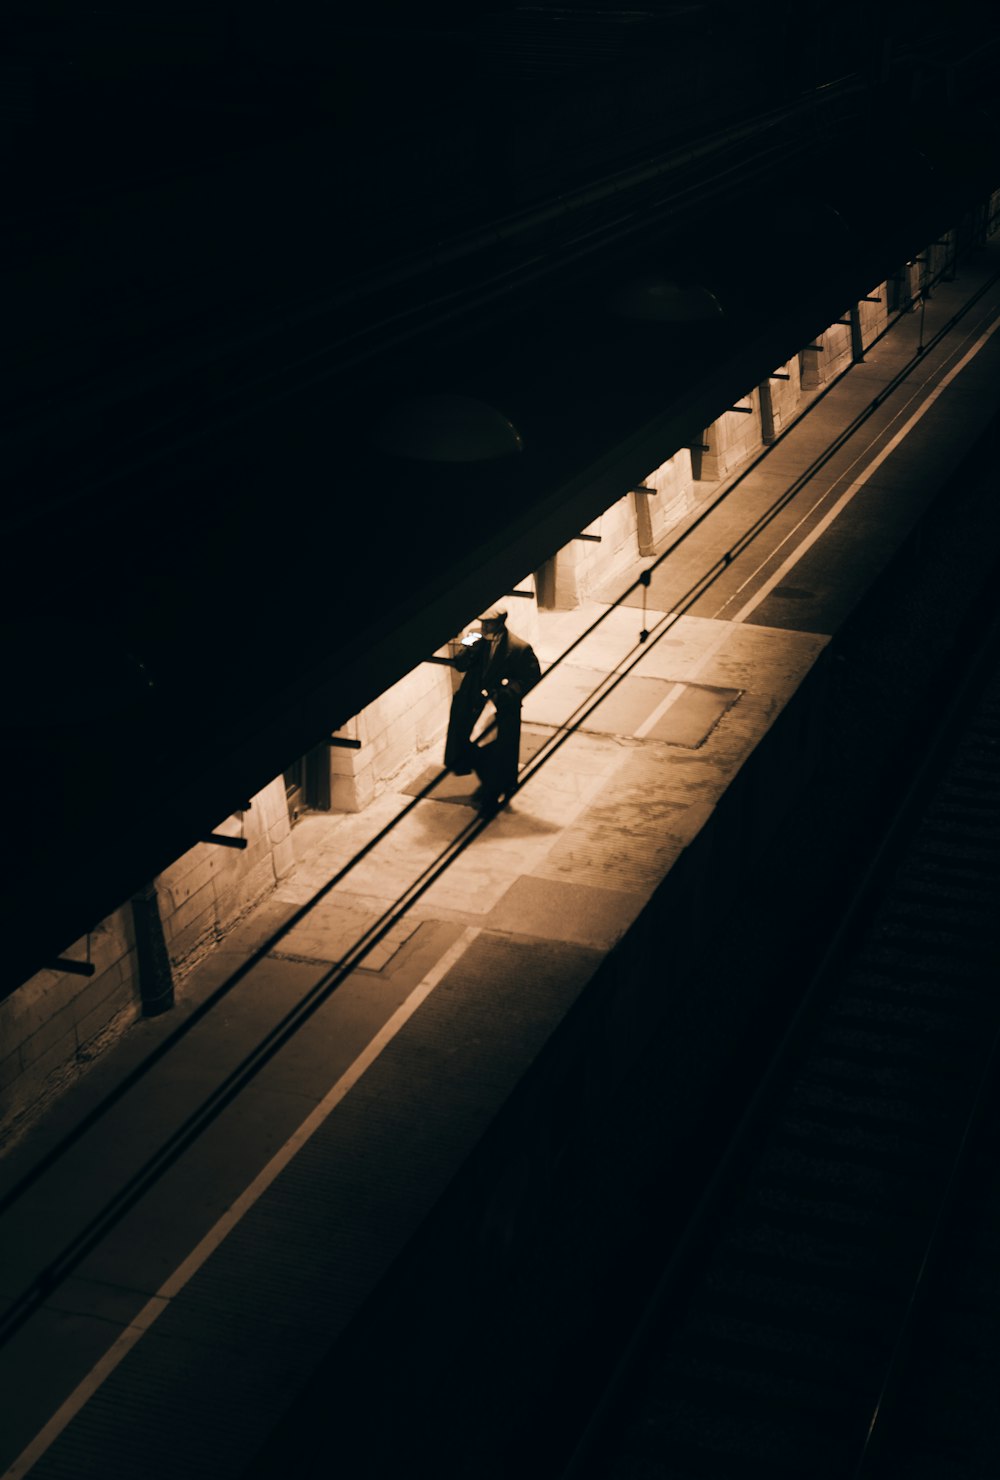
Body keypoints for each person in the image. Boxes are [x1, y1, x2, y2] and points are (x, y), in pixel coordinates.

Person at [444, 607, 541, 817]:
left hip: (499, 711)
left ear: (500, 623)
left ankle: (491, 798)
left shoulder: (518, 648)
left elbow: (531, 677)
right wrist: (468, 646)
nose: (484, 627)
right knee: (475, 751)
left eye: (489, 623)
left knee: (496, 755)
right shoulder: (477, 641)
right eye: (483, 623)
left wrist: (503, 695)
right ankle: (491, 787)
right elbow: (460, 665)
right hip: (475, 708)